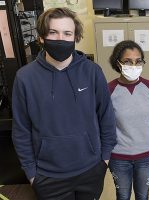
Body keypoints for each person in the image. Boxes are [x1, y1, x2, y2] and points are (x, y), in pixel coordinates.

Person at [12, 7, 117, 200]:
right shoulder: (25, 78)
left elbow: (107, 118)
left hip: (91, 169)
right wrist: (32, 174)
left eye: (67, 33)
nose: (60, 38)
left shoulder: (92, 72)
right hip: (47, 176)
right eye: (53, 32)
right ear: (42, 37)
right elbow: (21, 130)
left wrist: (105, 159)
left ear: (75, 37)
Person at [108, 40, 149, 200]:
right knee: (122, 196)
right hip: (118, 156)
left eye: (138, 61)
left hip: (146, 155)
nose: (133, 65)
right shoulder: (108, 90)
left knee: (142, 196)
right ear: (118, 63)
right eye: (127, 61)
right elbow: (106, 124)